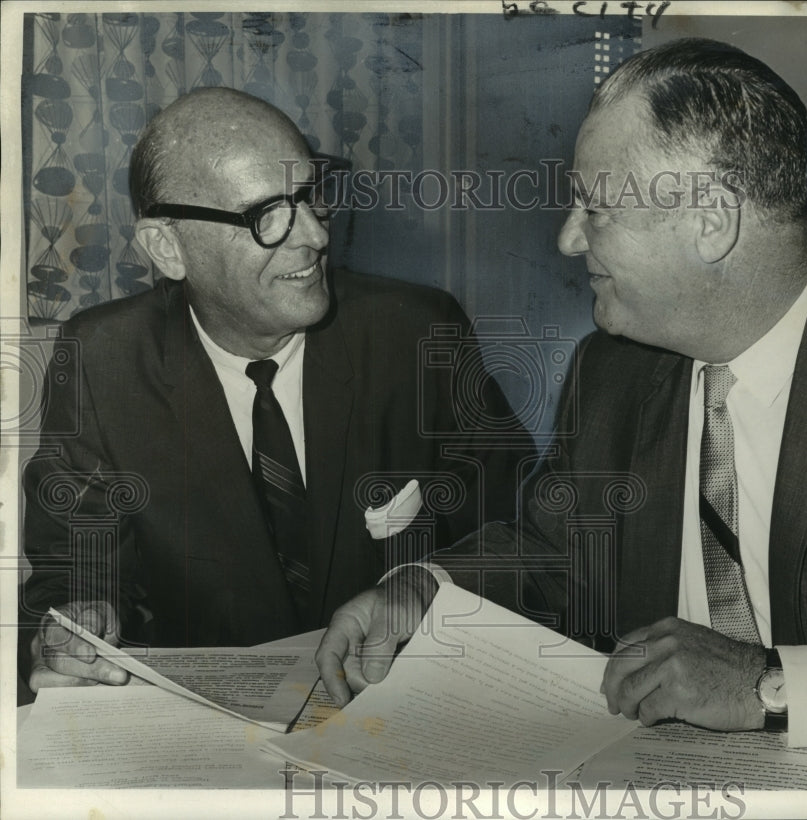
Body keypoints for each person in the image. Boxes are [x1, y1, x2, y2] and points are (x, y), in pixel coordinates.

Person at [315, 38, 807, 767]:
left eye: (595, 206)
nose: (565, 238)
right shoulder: (612, 370)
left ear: (711, 221)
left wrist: (767, 684)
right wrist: (425, 590)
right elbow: (552, 555)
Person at [19, 87, 527, 695]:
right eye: (267, 215)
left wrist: (427, 581)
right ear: (168, 248)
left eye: (311, 196)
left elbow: (524, 531)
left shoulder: (417, 333)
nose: (313, 235)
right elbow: (73, 569)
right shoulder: (104, 360)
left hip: (402, 703)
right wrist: (80, 621)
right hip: (206, 732)